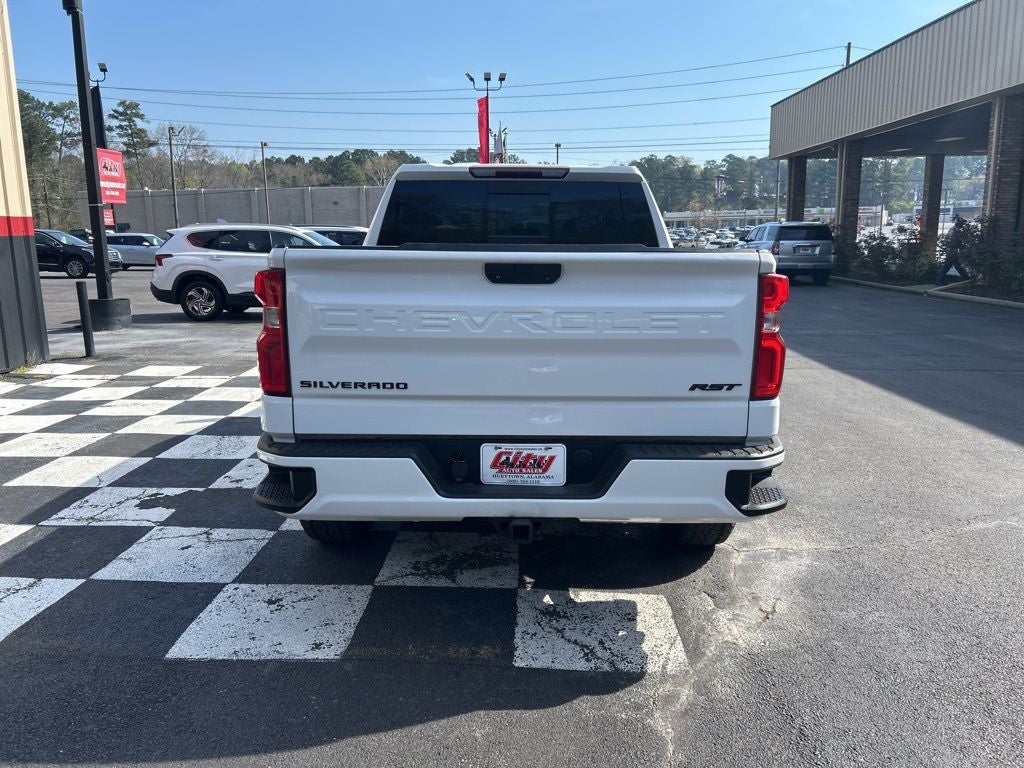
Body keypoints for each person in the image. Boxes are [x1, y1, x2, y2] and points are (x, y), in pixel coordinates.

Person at [935, 216, 971, 284]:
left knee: (957, 265)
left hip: (950, 250)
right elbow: (956, 241)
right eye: (962, 224)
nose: (962, 226)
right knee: (947, 265)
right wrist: (963, 247)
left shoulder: (951, 229)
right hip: (952, 251)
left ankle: (966, 278)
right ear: (959, 224)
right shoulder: (956, 231)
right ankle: (939, 280)